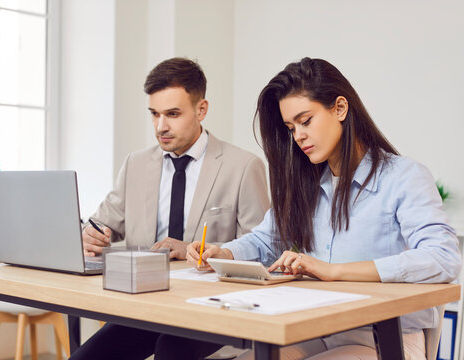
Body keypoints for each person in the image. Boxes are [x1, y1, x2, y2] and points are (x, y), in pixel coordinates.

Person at [185, 57, 462, 360]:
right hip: (315, 330)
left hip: (384, 339)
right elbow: (266, 240)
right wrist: (222, 254)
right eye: (291, 128)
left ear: (340, 108)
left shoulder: (403, 177)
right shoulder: (306, 184)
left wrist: (333, 272)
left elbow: (443, 257)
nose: (298, 136)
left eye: (306, 121)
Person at [72, 57, 270, 359]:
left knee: (171, 350)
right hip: (146, 307)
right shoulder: (135, 164)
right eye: (154, 114)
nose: (161, 126)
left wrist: (197, 248)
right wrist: (90, 236)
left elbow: (263, 252)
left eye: (173, 114)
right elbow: (102, 225)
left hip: (212, 309)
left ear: (201, 109)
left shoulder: (243, 167)